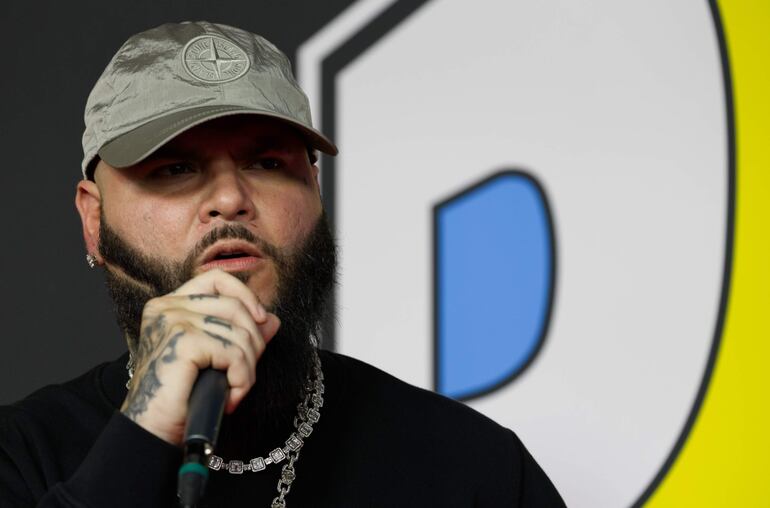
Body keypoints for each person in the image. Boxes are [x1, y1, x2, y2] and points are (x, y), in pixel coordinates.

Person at [0, 21, 565, 507]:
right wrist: (146, 426)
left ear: (315, 189)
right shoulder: (23, 454)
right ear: (94, 220)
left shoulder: (467, 464)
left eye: (267, 162)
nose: (230, 198)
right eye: (173, 168)